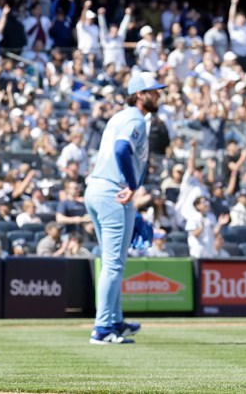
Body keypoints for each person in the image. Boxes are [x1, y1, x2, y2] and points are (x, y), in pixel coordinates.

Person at [85, 71, 164, 344]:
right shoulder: (135, 118)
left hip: (97, 188)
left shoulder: (119, 116)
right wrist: (132, 185)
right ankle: (103, 328)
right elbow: (121, 150)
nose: (158, 95)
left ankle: (114, 320)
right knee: (113, 264)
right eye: (154, 91)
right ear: (140, 95)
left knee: (112, 262)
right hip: (112, 190)